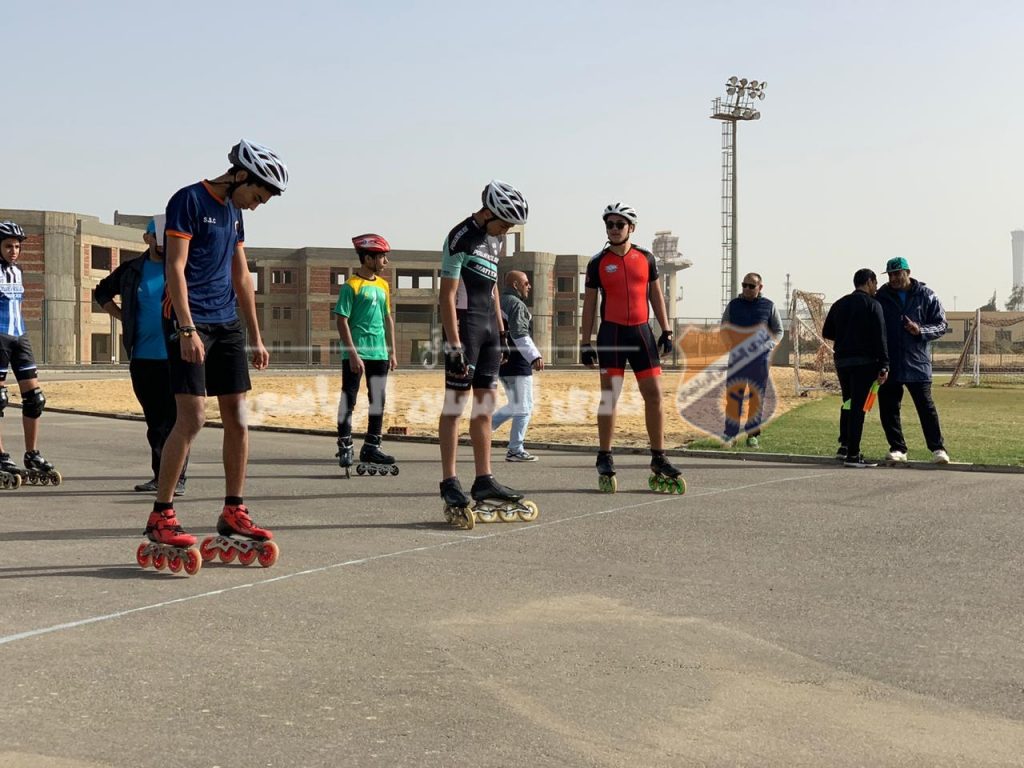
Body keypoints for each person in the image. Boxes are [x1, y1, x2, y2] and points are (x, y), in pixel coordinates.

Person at [143, 139, 287, 565]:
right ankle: (161, 515)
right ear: (240, 175)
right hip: (190, 320)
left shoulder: (235, 212)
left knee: (238, 419)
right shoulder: (187, 200)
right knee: (192, 419)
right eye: (258, 195)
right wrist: (186, 327)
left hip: (227, 324)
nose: (258, 204)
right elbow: (174, 266)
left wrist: (256, 334)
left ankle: (233, 511)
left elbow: (241, 275)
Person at [437, 180, 527, 517]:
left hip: (489, 329)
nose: (506, 229)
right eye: (504, 222)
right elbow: (446, 295)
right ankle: (449, 481)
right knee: (455, 406)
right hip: (464, 328)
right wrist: (454, 343)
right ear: (488, 212)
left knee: (485, 407)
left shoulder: (496, 237)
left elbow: (490, 288)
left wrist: (502, 331)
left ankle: (484, 478)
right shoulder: (461, 237)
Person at [579, 203, 682, 492]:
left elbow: (656, 295)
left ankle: (659, 457)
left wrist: (667, 330)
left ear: (631, 228)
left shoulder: (646, 258)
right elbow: (588, 305)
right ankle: (605, 455)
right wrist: (585, 342)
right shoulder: (597, 262)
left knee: (654, 395)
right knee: (610, 396)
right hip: (611, 334)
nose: (613, 229)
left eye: (619, 224)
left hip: (641, 333)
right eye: (609, 224)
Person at [94, 217, 187, 495]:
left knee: (175, 421)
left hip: (176, 357)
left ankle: (177, 478)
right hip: (143, 358)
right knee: (155, 423)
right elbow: (101, 292)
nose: (167, 243)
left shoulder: (183, 268)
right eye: (161, 237)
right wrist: (124, 317)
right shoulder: (132, 270)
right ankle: (161, 476)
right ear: (148, 239)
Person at [0, 220, 60, 485]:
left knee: (35, 399)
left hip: (19, 336)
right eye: (8, 246)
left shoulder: (19, 271)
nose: (13, 251)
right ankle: (0, 454)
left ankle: (32, 454)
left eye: (16, 246)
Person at [874, 257, 950, 464]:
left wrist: (921, 330)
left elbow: (942, 324)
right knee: (889, 409)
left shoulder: (927, 295)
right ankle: (897, 448)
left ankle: (938, 449)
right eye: (890, 274)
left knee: (926, 408)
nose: (894, 278)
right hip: (890, 364)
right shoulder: (881, 296)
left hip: (917, 363)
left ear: (908, 272)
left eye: (898, 273)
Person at [333, 233, 398, 473]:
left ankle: (371, 446)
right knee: (348, 399)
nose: (385, 262)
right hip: (357, 353)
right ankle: (345, 445)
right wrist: (352, 353)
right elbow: (341, 320)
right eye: (382, 257)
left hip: (380, 353)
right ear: (368, 258)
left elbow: (387, 318)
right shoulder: (351, 286)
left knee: (378, 400)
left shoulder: (382, 285)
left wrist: (391, 351)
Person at [821, 268, 889, 468]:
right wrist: (884, 365)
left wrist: (845, 339)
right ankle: (853, 454)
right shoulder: (873, 305)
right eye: (875, 284)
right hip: (865, 362)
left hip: (842, 361)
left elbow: (827, 331)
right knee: (859, 406)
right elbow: (880, 336)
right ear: (869, 282)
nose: (876, 288)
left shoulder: (840, 304)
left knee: (848, 402)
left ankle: (844, 445)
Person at [720, 272, 784, 447]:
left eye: (751, 286)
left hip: (760, 361)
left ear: (760, 287)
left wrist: (768, 346)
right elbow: (724, 327)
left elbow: (779, 330)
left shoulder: (768, 306)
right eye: (744, 285)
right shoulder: (733, 305)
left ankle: (752, 435)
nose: (747, 289)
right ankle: (730, 434)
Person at [492, 270, 543, 462]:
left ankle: (484, 428)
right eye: (526, 283)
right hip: (518, 364)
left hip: (501, 364)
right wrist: (534, 356)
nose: (529, 286)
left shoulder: (497, 303)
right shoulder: (516, 305)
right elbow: (519, 334)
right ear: (515, 285)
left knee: (515, 405)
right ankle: (515, 449)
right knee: (524, 407)